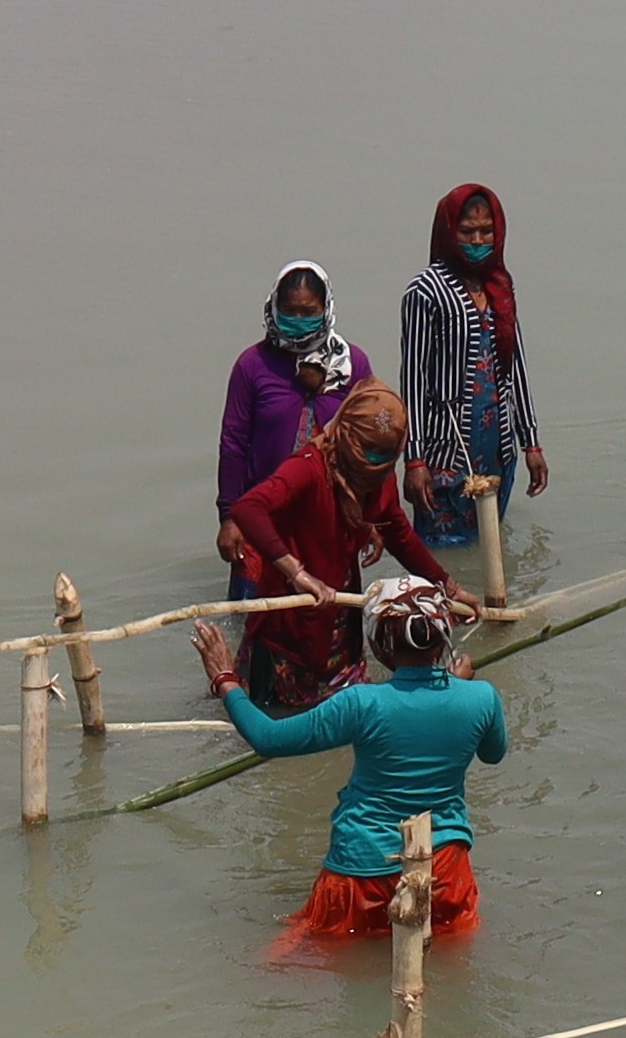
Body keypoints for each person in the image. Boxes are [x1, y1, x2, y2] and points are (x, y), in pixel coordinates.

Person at [193, 576, 504, 941]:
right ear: (442, 638)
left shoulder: (360, 703)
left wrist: (226, 679)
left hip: (361, 872)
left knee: (307, 961)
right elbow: (493, 753)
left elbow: (268, 738)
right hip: (444, 871)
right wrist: (459, 687)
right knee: (444, 969)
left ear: (379, 647)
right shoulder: (481, 697)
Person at [218, 370, 446, 710]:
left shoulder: (379, 476)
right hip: (291, 624)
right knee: (283, 720)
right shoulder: (309, 467)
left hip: (341, 622)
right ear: (347, 436)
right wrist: (296, 572)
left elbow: (398, 532)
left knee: (347, 717)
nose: (376, 462)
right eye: (368, 452)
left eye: (386, 454)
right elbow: (249, 508)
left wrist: (447, 587)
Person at [396, 183, 550, 558]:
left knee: (486, 547)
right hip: (444, 451)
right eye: (467, 232)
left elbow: (517, 368)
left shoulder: (500, 286)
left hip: (497, 447)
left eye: (486, 232)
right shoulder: (426, 291)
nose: (478, 240)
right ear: (450, 233)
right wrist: (414, 460)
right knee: (442, 555)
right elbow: (413, 379)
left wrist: (530, 441)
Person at [215, 261, 370, 526]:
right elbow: (233, 445)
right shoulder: (252, 365)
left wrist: (372, 515)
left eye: (308, 312)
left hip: (333, 512)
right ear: (274, 308)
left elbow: (373, 438)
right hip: (264, 513)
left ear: (326, 309)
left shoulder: (352, 365)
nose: (298, 321)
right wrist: (229, 517)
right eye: (289, 312)